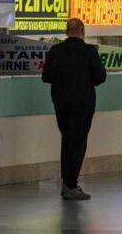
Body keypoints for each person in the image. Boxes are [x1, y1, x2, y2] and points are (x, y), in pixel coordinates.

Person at [41, 18, 107, 200]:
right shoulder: (89, 51)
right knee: (78, 144)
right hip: (83, 105)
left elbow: (46, 77)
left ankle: (66, 183)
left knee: (67, 141)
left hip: (61, 104)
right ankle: (71, 184)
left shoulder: (55, 51)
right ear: (83, 32)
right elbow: (100, 77)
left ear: (66, 31)